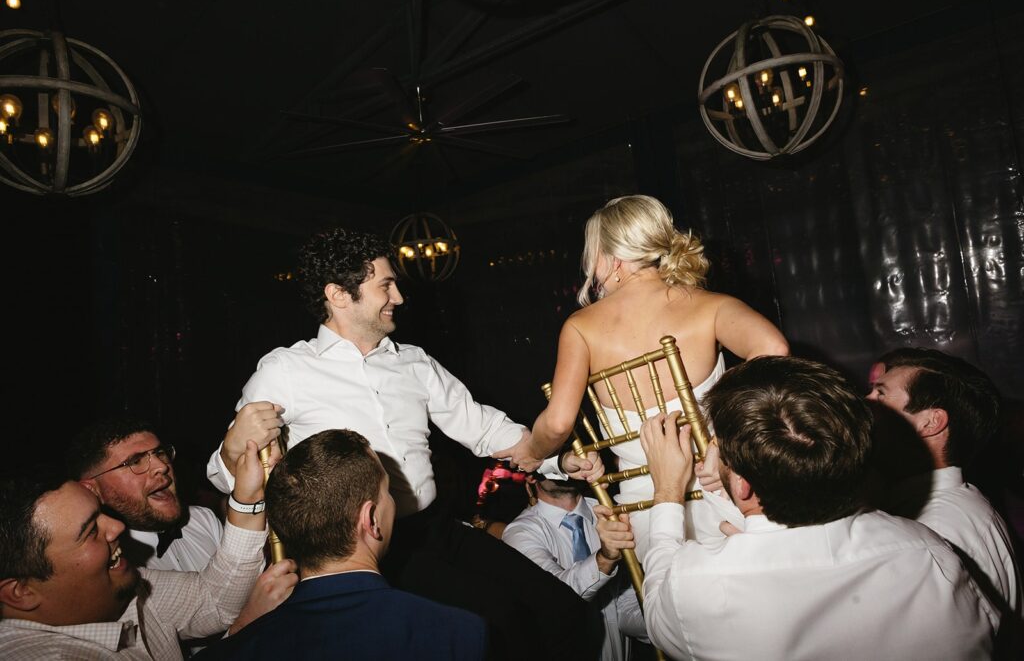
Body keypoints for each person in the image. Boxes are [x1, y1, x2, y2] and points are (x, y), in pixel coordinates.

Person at [206, 227, 601, 661]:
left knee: (562, 610)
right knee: (500, 625)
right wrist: (231, 447)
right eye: (385, 285)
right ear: (339, 295)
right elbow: (227, 477)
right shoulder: (286, 369)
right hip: (364, 551)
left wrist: (559, 463)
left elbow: (485, 429)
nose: (399, 296)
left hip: (437, 529)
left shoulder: (413, 362)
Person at [631, 356, 997, 660]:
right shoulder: (929, 551)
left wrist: (666, 488)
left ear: (743, 485)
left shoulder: (698, 585)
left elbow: (659, 603)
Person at [510, 195, 789, 554]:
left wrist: (534, 451)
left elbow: (559, 423)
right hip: (728, 494)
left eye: (592, 254)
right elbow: (775, 350)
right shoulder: (709, 305)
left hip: (648, 515)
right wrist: (721, 440)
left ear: (614, 259)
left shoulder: (581, 328)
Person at [198, 429, 486, 660]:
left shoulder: (237, 648)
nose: (395, 502)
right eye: (388, 491)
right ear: (371, 519)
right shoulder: (457, 634)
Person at [0, 439, 280, 660]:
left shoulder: (128, 587)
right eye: (90, 531)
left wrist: (247, 497)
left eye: (100, 515)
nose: (117, 528)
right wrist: (242, 631)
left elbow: (215, 599)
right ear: (21, 592)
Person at [867, 348, 1022, 630]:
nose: (864, 403)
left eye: (881, 394)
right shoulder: (955, 503)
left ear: (930, 421)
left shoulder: (934, 529)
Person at [502, 475, 646, 661]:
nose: (558, 471)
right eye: (551, 458)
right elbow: (553, 595)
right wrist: (605, 558)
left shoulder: (607, 510)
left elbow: (624, 606)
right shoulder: (521, 531)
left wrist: (664, 621)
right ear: (531, 476)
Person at [67, 416, 223, 572]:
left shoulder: (203, 519)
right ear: (92, 490)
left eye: (160, 453)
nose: (162, 466)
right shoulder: (107, 568)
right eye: (135, 461)